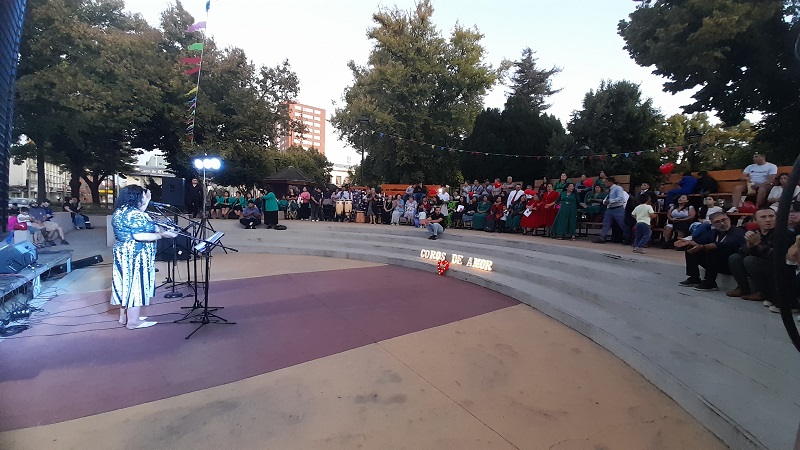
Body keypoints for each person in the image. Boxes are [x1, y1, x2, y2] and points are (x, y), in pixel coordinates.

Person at [111, 185, 176, 330]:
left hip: (123, 252)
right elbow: (139, 236)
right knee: (136, 285)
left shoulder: (121, 211)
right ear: (137, 196)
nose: (145, 197)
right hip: (136, 253)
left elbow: (139, 217)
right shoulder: (135, 214)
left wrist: (147, 201)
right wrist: (162, 235)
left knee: (125, 284)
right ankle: (133, 322)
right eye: (143, 195)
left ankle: (124, 317)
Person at [678, 212, 746, 291]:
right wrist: (688, 242)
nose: (722, 223)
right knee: (690, 248)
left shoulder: (737, 232)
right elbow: (700, 241)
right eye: (717, 222)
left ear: (729, 219)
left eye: (724, 220)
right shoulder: (714, 233)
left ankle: (710, 282)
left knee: (713, 250)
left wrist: (703, 247)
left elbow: (723, 244)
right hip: (716, 264)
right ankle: (694, 278)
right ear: (713, 225)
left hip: (731, 265)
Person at [727, 207, 781, 302]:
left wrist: (758, 244)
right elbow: (742, 251)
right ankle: (743, 289)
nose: (768, 219)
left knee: (750, 260)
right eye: (763, 217)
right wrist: (749, 245)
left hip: (776, 267)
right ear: (755, 220)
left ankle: (763, 293)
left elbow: (776, 256)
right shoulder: (756, 232)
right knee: (735, 258)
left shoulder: (781, 233)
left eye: (771, 216)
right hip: (759, 264)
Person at [594, 177, 629, 244]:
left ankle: (628, 237)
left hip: (618, 208)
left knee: (622, 224)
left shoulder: (618, 188)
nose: (605, 184)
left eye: (606, 182)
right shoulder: (609, 190)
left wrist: (610, 201)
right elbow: (607, 198)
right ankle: (602, 237)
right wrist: (605, 201)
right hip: (610, 208)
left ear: (611, 182)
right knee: (606, 223)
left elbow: (620, 198)